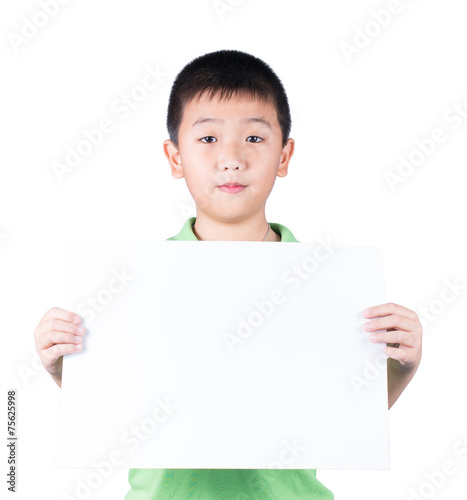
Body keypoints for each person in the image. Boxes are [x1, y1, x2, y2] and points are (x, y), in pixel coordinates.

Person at [33, 49, 423, 499]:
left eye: (254, 138)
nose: (232, 158)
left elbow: (335, 417)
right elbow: (120, 409)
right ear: (175, 157)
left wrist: (401, 368)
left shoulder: (324, 285)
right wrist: (68, 368)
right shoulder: (133, 284)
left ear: (284, 154)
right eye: (208, 139)